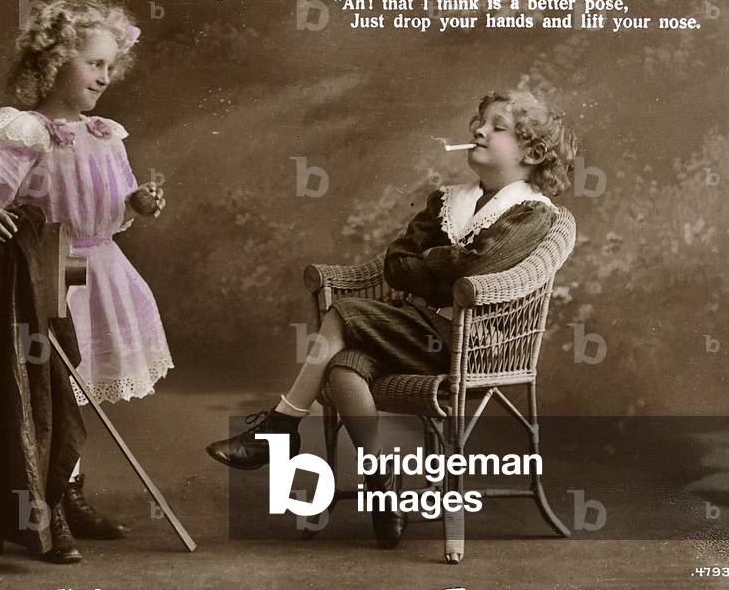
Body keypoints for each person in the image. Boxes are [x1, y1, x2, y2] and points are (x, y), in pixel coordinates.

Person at [206, 89, 578, 548]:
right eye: (478, 123)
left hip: (473, 342)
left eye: (497, 127)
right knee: (345, 366)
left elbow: (476, 268)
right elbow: (395, 264)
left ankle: (280, 428)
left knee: (343, 311)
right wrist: (443, 262)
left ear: (532, 153)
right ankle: (380, 484)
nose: (479, 131)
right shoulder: (446, 200)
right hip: (416, 331)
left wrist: (437, 263)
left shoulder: (532, 213)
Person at [0, 0, 174, 561]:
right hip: (46, 282)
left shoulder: (105, 134)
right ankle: (45, 509)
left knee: (80, 393)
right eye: (93, 63)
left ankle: (70, 493)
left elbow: (113, 202)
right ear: (52, 66)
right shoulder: (27, 132)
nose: (104, 75)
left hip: (104, 276)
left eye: (109, 65)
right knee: (50, 396)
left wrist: (140, 202)